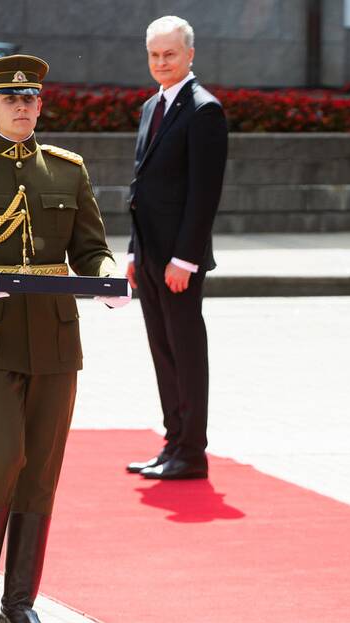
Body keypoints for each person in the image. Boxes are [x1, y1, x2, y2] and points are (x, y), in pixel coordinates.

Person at [0, 54, 128, 623]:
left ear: (41, 104)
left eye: (31, 98)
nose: (21, 106)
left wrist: (109, 278)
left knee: (41, 471)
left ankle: (20, 604)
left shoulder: (67, 169)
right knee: (4, 454)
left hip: (55, 337)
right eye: (9, 98)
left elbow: (91, 247)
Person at [125, 16, 229, 480]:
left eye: (170, 54)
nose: (161, 62)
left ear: (190, 55)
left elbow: (204, 193)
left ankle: (192, 452)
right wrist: (133, 252)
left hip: (179, 261)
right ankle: (172, 444)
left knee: (185, 353)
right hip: (148, 255)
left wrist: (184, 258)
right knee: (162, 350)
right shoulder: (152, 107)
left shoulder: (204, 110)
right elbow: (141, 185)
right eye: (154, 55)